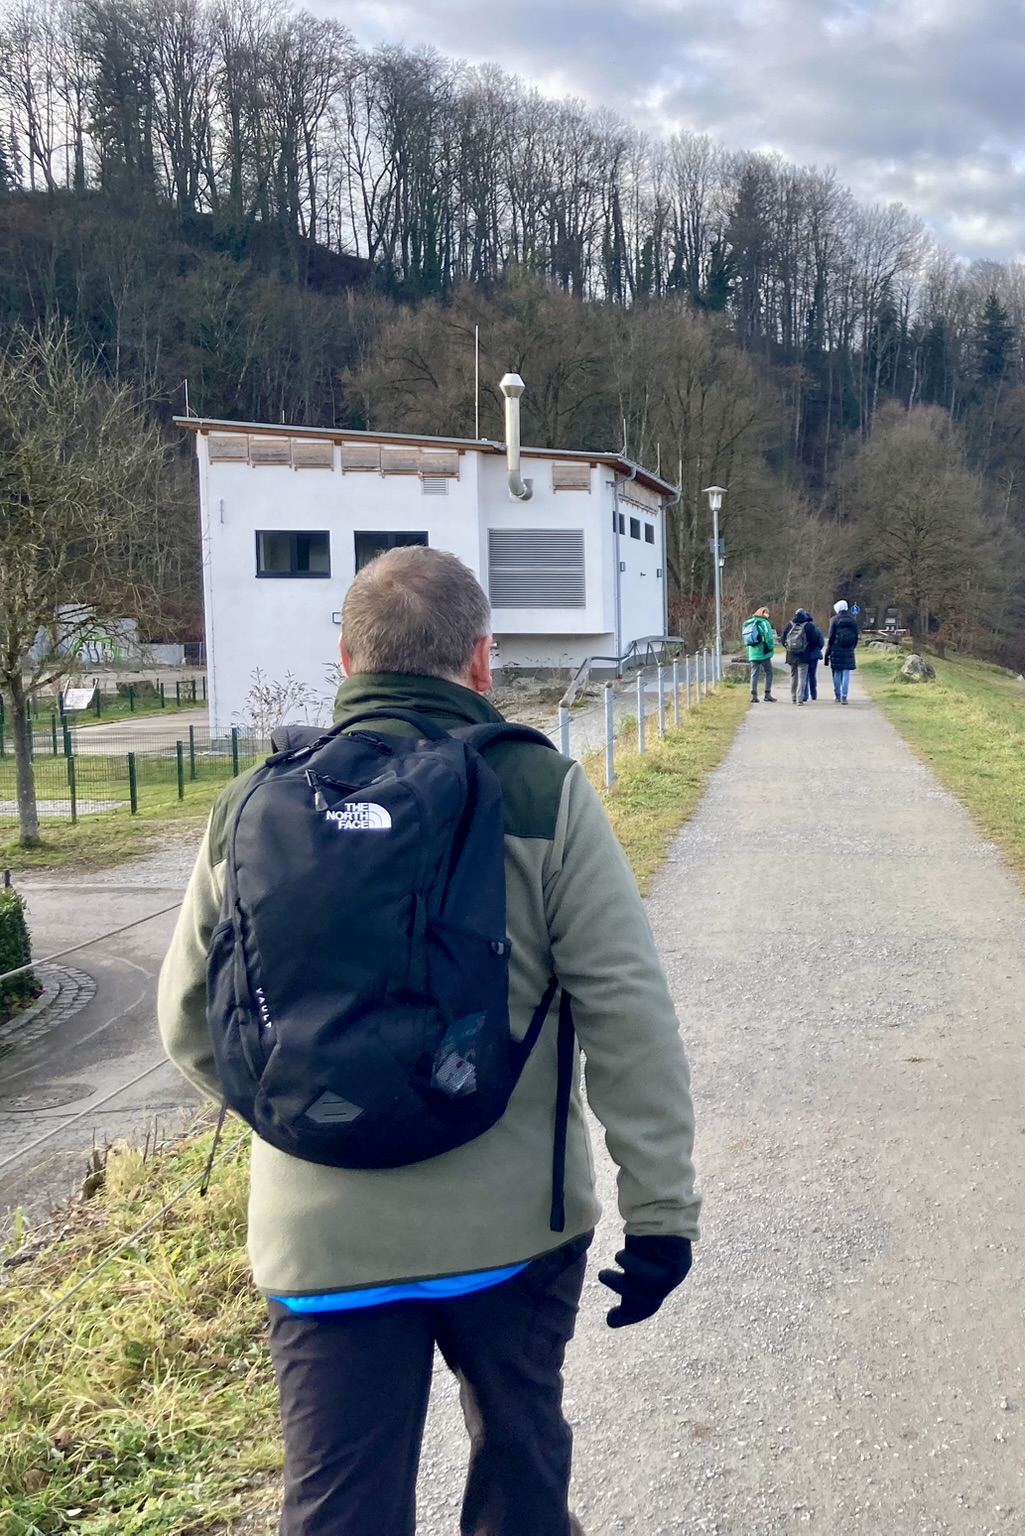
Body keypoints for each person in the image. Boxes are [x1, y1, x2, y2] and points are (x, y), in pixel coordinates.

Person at [158, 546, 701, 1536]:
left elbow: (189, 1023)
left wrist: (307, 1115)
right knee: (520, 1474)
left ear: (346, 658)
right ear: (481, 660)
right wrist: (659, 1210)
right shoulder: (538, 789)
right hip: (510, 1233)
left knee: (340, 1508)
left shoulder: (254, 803)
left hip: (320, 1243)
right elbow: (627, 1009)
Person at [825, 600, 860, 705]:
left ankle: (837, 695)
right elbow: (856, 636)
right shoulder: (852, 620)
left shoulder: (834, 619)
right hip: (848, 648)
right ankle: (844, 696)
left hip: (836, 648)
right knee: (846, 672)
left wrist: (828, 650)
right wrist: (852, 646)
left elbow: (831, 636)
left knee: (837, 672)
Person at [784, 608, 823, 704]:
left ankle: (793, 697)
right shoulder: (808, 626)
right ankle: (800, 699)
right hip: (804, 655)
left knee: (793, 676)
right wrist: (808, 649)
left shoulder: (789, 625)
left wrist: (789, 648)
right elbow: (814, 640)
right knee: (803, 677)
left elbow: (783, 638)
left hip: (791, 655)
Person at [744, 606, 778, 702]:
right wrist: (770, 647)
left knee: (754, 673)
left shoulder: (748, 623)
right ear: (763, 613)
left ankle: (753, 695)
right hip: (763, 652)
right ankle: (767, 694)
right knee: (769, 672)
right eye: (767, 613)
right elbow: (769, 637)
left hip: (752, 652)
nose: (768, 615)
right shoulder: (764, 623)